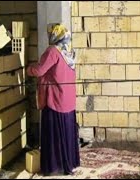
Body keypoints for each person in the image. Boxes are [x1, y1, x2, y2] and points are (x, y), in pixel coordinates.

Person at [26, 23, 80, 176]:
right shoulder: (69, 51)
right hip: (67, 98)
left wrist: (28, 68)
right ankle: (69, 164)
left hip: (55, 98)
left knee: (54, 133)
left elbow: (39, 70)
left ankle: (55, 166)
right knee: (68, 132)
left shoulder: (52, 51)